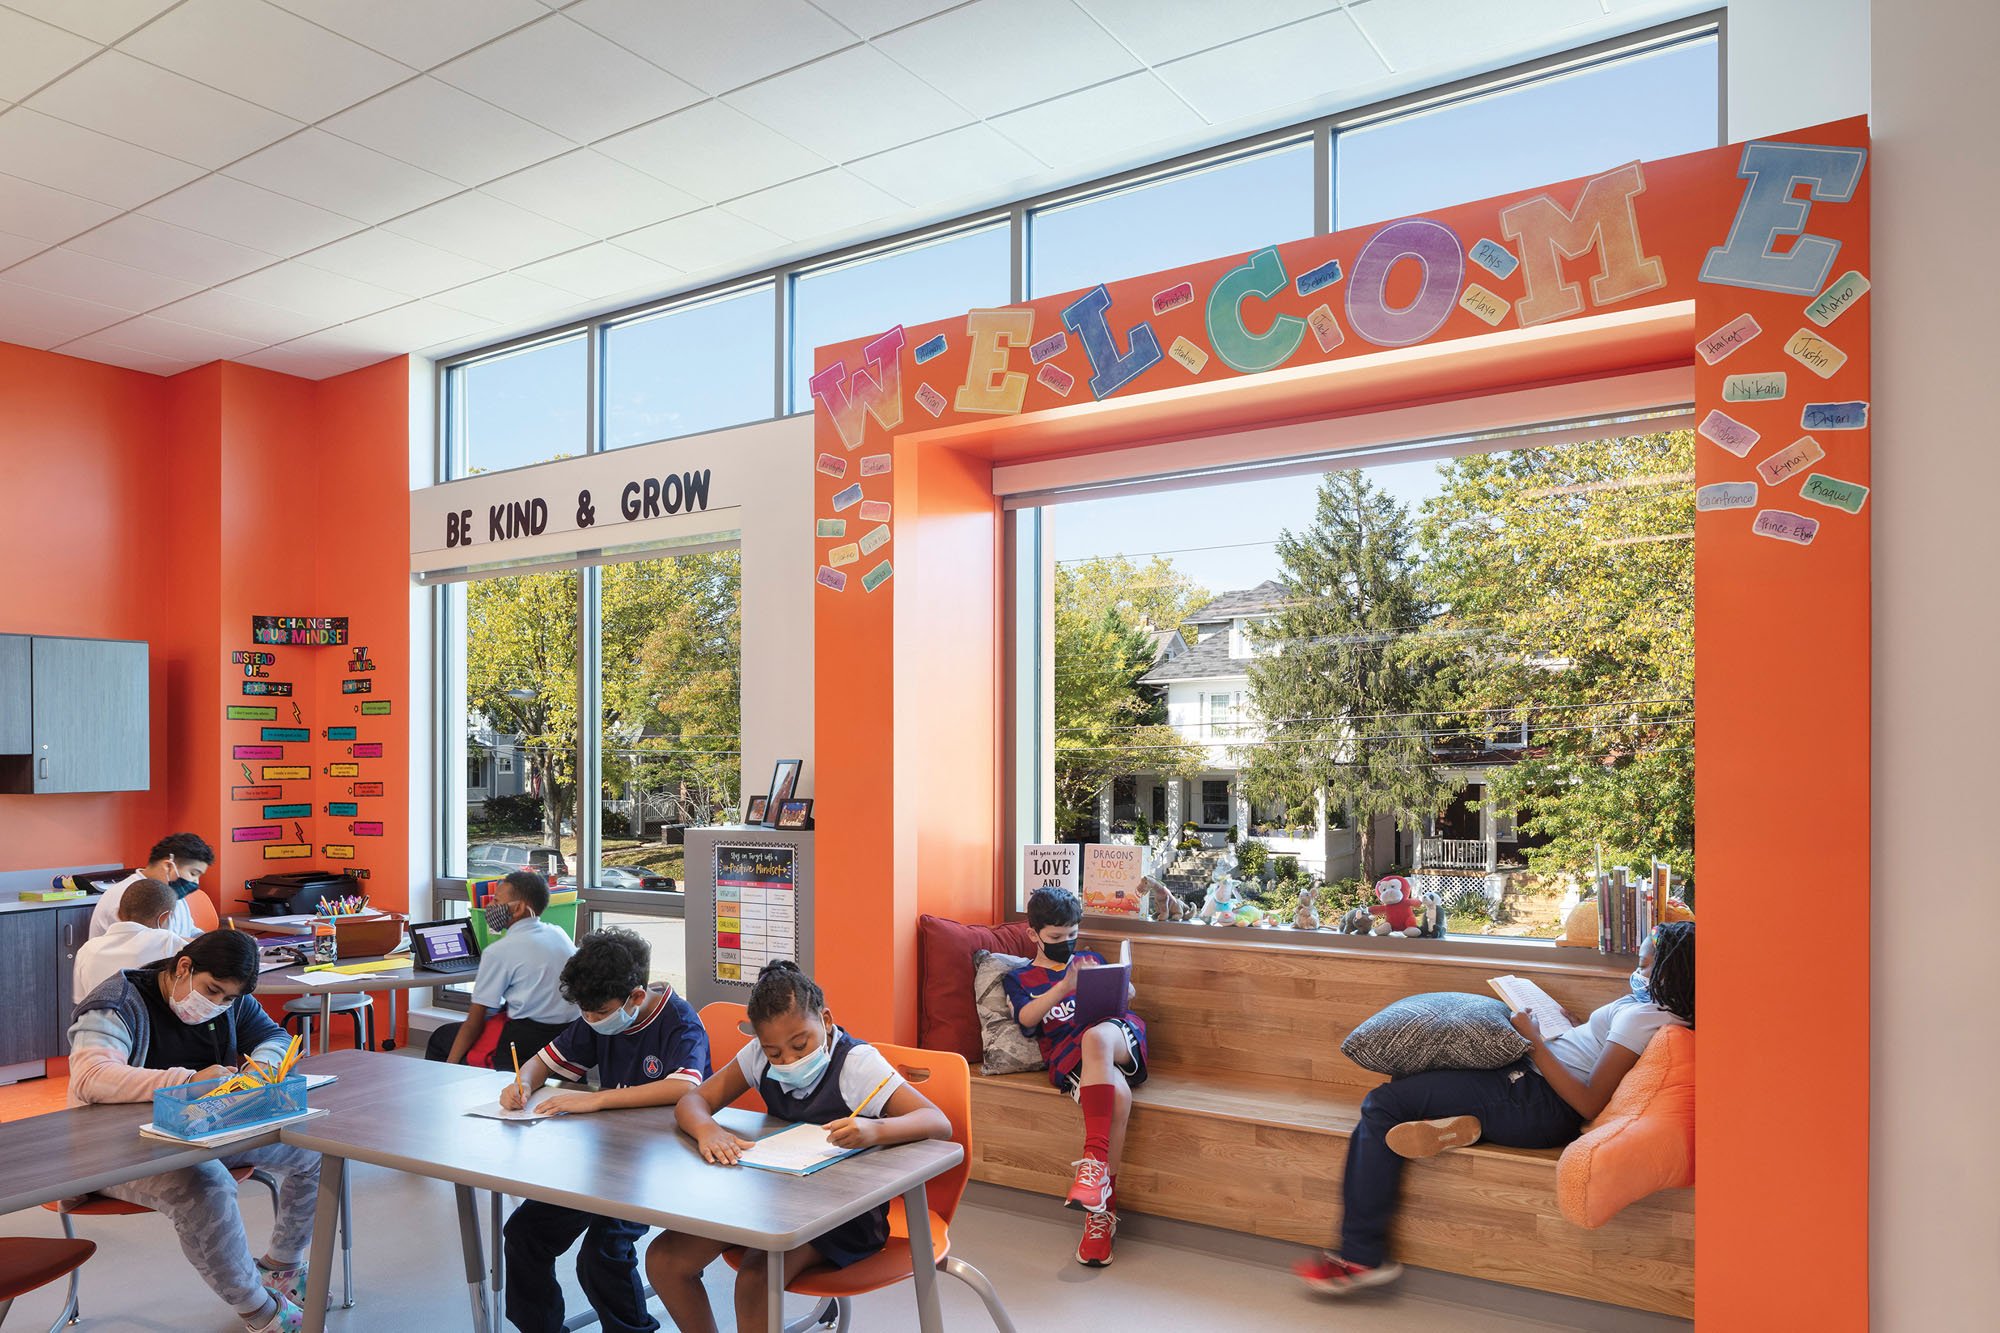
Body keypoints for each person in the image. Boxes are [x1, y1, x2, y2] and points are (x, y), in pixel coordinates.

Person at [1297, 921, 1697, 1296]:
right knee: (1409, 1083)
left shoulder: (1646, 1017)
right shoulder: (1659, 1006)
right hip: (1531, 1088)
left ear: (1670, 971)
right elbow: (1600, 1050)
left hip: (1538, 1104)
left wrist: (1534, 1041)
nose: (1637, 970)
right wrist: (1571, 1028)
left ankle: (1361, 1256)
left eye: (1645, 964)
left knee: (1382, 1105)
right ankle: (1462, 1126)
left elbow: (1589, 1101)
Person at [646, 960, 952, 1333]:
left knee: (756, 1280)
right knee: (664, 1259)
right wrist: (708, 1130)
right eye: (775, 1053)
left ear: (825, 1020)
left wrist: (874, 1130)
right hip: (772, 1202)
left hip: (844, 1216)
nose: (788, 1060)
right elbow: (691, 1102)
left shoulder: (855, 1064)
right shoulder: (758, 1055)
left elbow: (937, 1122)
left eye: (799, 1044)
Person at [68, 930, 321, 1333]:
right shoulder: (114, 1003)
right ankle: (259, 1311)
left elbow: (274, 1036)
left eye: (228, 999)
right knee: (206, 1187)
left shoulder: (229, 999)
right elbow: (91, 1077)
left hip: (203, 1131)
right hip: (118, 1148)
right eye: (213, 991)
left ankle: (282, 1267)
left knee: (311, 1150)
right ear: (184, 967)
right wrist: (190, 1081)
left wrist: (264, 1066)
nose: (218, 1005)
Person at [496, 927, 710, 1333]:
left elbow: (685, 1086)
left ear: (635, 997)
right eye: (585, 1013)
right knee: (524, 1233)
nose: (591, 1021)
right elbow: (544, 1061)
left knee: (601, 1253)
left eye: (598, 1014)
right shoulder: (597, 1017)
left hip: (663, 1164)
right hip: (606, 1162)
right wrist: (521, 1082)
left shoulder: (679, 1021)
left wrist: (596, 1099)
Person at [1002, 886, 1147, 1267]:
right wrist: (1065, 986)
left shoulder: (1089, 959)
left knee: (1097, 1036)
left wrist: (1122, 985)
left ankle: (1093, 1166)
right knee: (1118, 1097)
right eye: (1055, 938)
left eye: (1071, 936)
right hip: (1073, 1058)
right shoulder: (1020, 978)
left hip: (1115, 1035)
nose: (1065, 944)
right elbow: (1027, 1020)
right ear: (1033, 934)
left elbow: (1124, 997)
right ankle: (1100, 1215)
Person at [426, 870, 578, 1070]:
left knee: (441, 1038)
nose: (489, 907)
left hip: (523, 1042)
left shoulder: (499, 951)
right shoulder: (558, 933)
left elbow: (474, 1021)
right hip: (567, 1038)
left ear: (519, 908)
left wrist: (451, 1067)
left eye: (496, 901)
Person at [73, 875, 187, 997]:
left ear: (118, 913)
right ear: (164, 917)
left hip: (98, 1015)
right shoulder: (167, 941)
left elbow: (81, 1002)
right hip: (146, 1015)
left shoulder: (87, 949)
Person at [89, 831, 215, 939]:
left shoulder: (171, 892)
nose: (196, 882)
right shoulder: (126, 896)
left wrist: (212, 941)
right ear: (168, 866)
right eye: (193, 873)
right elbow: (142, 949)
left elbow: (188, 930)